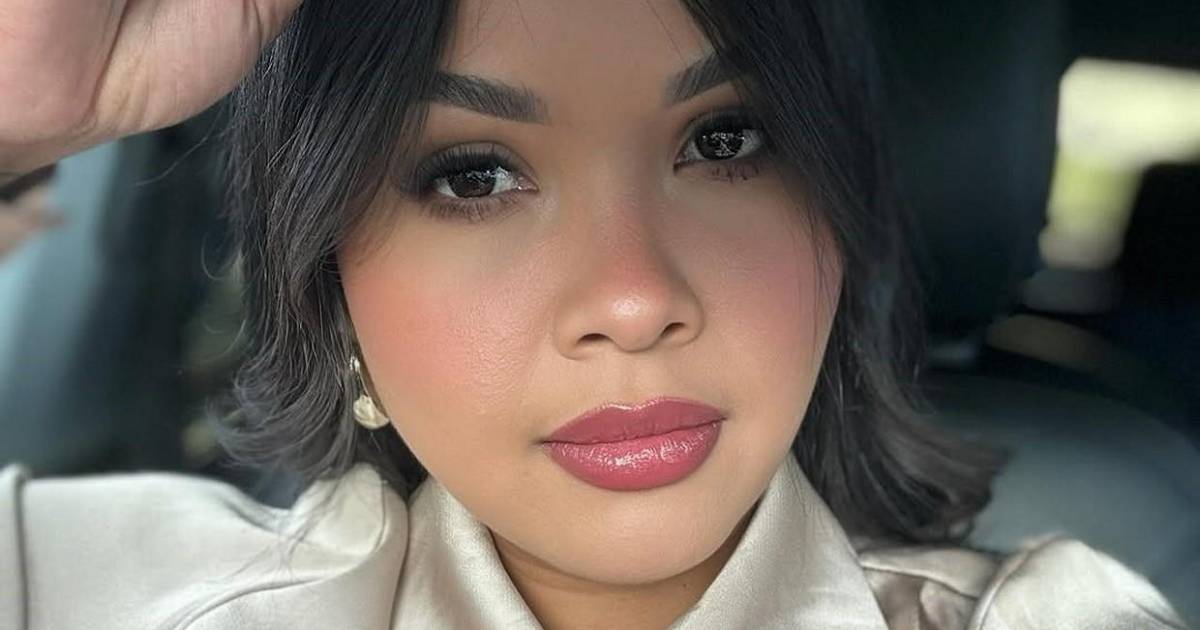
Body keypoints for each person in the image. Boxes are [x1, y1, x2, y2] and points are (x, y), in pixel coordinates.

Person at [0, 1, 1189, 629]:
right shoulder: (96, 590)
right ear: (328, 286)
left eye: (725, 142)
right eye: (473, 175)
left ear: (841, 223)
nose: (633, 299)